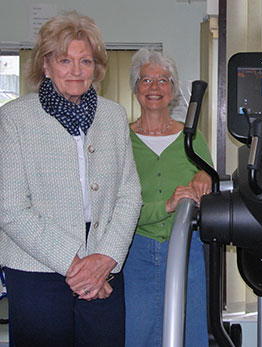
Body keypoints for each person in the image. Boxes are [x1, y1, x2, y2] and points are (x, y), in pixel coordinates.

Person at [0, 11, 142, 346]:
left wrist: (105, 258)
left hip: (104, 258)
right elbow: (10, 208)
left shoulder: (113, 115)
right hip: (36, 267)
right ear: (46, 66)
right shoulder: (14, 118)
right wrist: (77, 266)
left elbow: (130, 194)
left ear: (97, 67)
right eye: (65, 60)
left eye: (86, 60)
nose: (76, 71)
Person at [123, 48, 212, 347]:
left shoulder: (192, 137)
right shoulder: (121, 139)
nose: (154, 87)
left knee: (191, 331)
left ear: (173, 90)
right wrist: (167, 206)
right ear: (135, 88)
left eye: (163, 80)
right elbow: (114, 208)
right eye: (146, 79)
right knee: (138, 333)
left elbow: (211, 179)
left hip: (187, 246)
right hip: (135, 249)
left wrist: (206, 176)